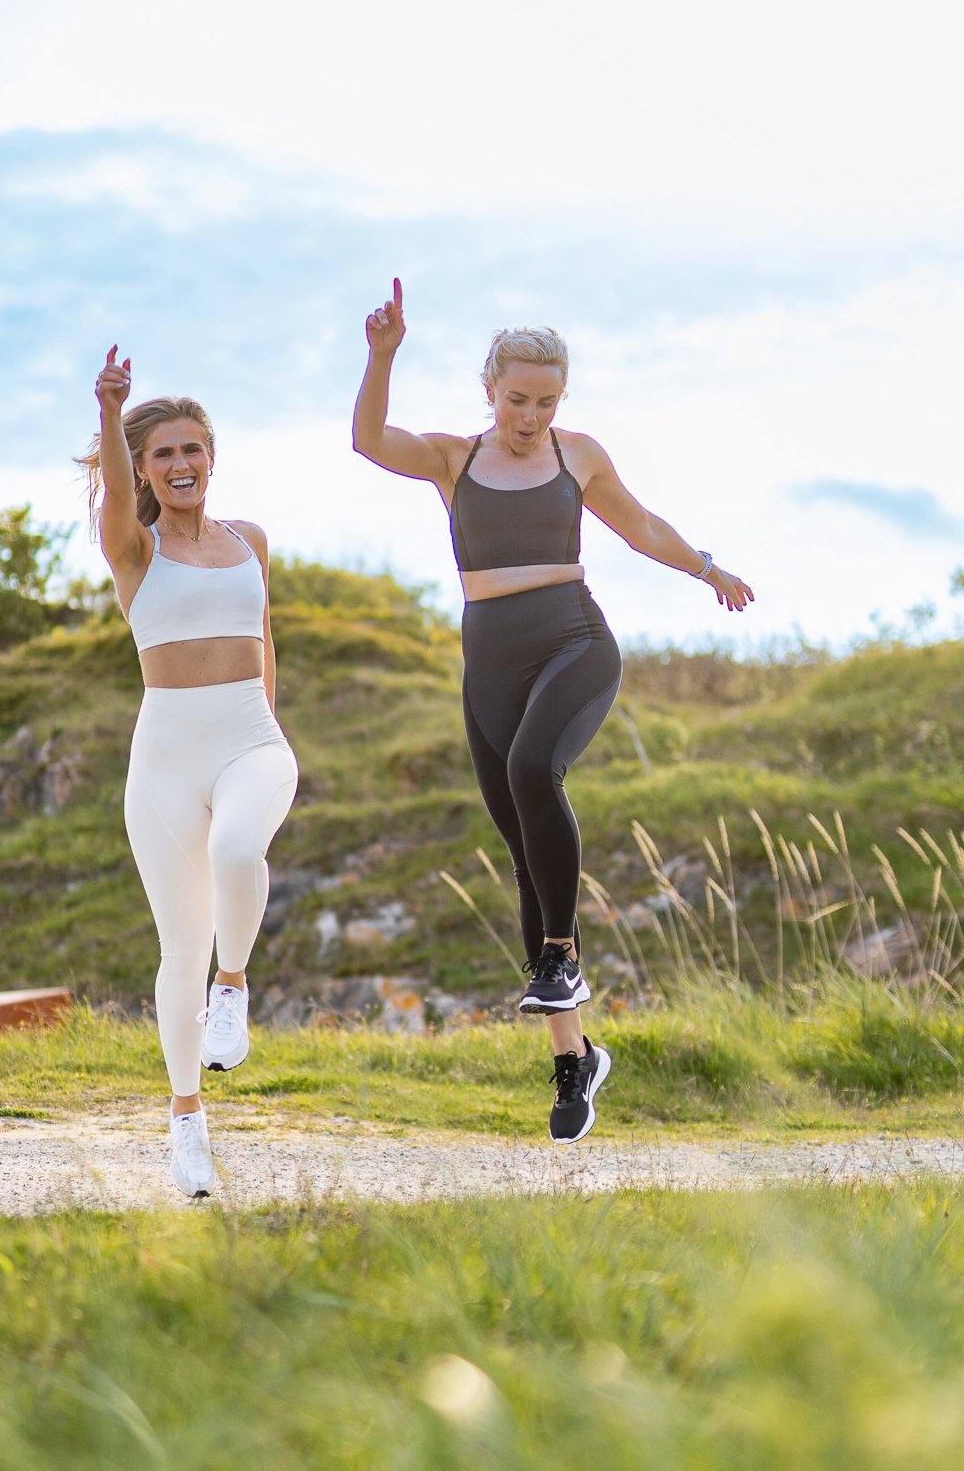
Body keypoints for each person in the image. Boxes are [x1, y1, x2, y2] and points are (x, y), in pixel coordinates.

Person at [352, 282, 753, 1143]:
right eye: (516, 399)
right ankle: (575, 1060)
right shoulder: (453, 459)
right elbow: (369, 441)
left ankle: (562, 959)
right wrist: (382, 355)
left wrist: (708, 567)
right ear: (488, 391)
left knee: (538, 769)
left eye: (546, 401)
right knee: (526, 855)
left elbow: (641, 527)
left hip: (573, 639)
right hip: (487, 662)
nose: (531, 416)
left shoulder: (579, 457)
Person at [77, 347, 298, 1197]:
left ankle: (235, 986)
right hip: (165, 760)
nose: (180, 465)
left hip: (251, 738)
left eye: (192, 449)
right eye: (162, 453)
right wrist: (111, 407)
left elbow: (264, 641)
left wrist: (273, 725)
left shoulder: (251, 543)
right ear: (142, 467)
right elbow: (112, 505)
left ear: (214, 456)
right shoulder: (134, 551)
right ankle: (187, 1125)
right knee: (179, 950)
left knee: (241, 854)